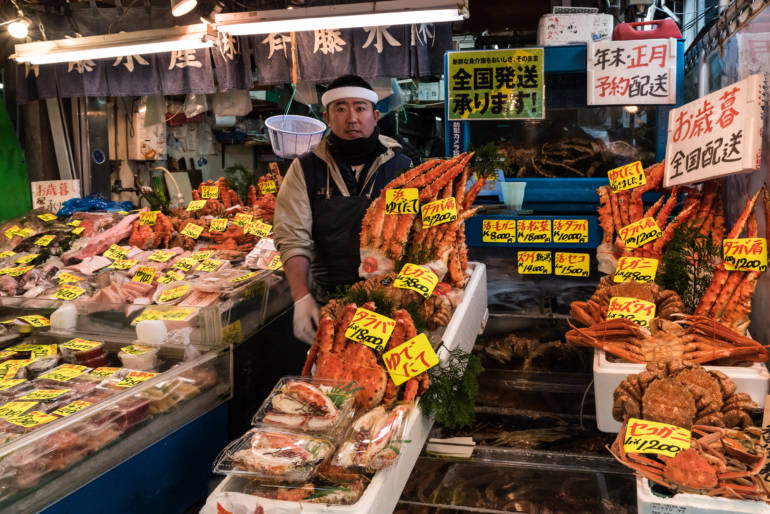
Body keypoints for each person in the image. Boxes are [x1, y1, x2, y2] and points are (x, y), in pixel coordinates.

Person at [274, 75, 412, 344]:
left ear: (375, 115)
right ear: (327, 117)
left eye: (360, 108)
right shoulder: (305, 169)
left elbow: (416, 237)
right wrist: (301, 297)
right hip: (329, 301)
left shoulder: (403, 168)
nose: (352, 118)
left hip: (391, 301)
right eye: (341, 108)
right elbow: (292, 239)